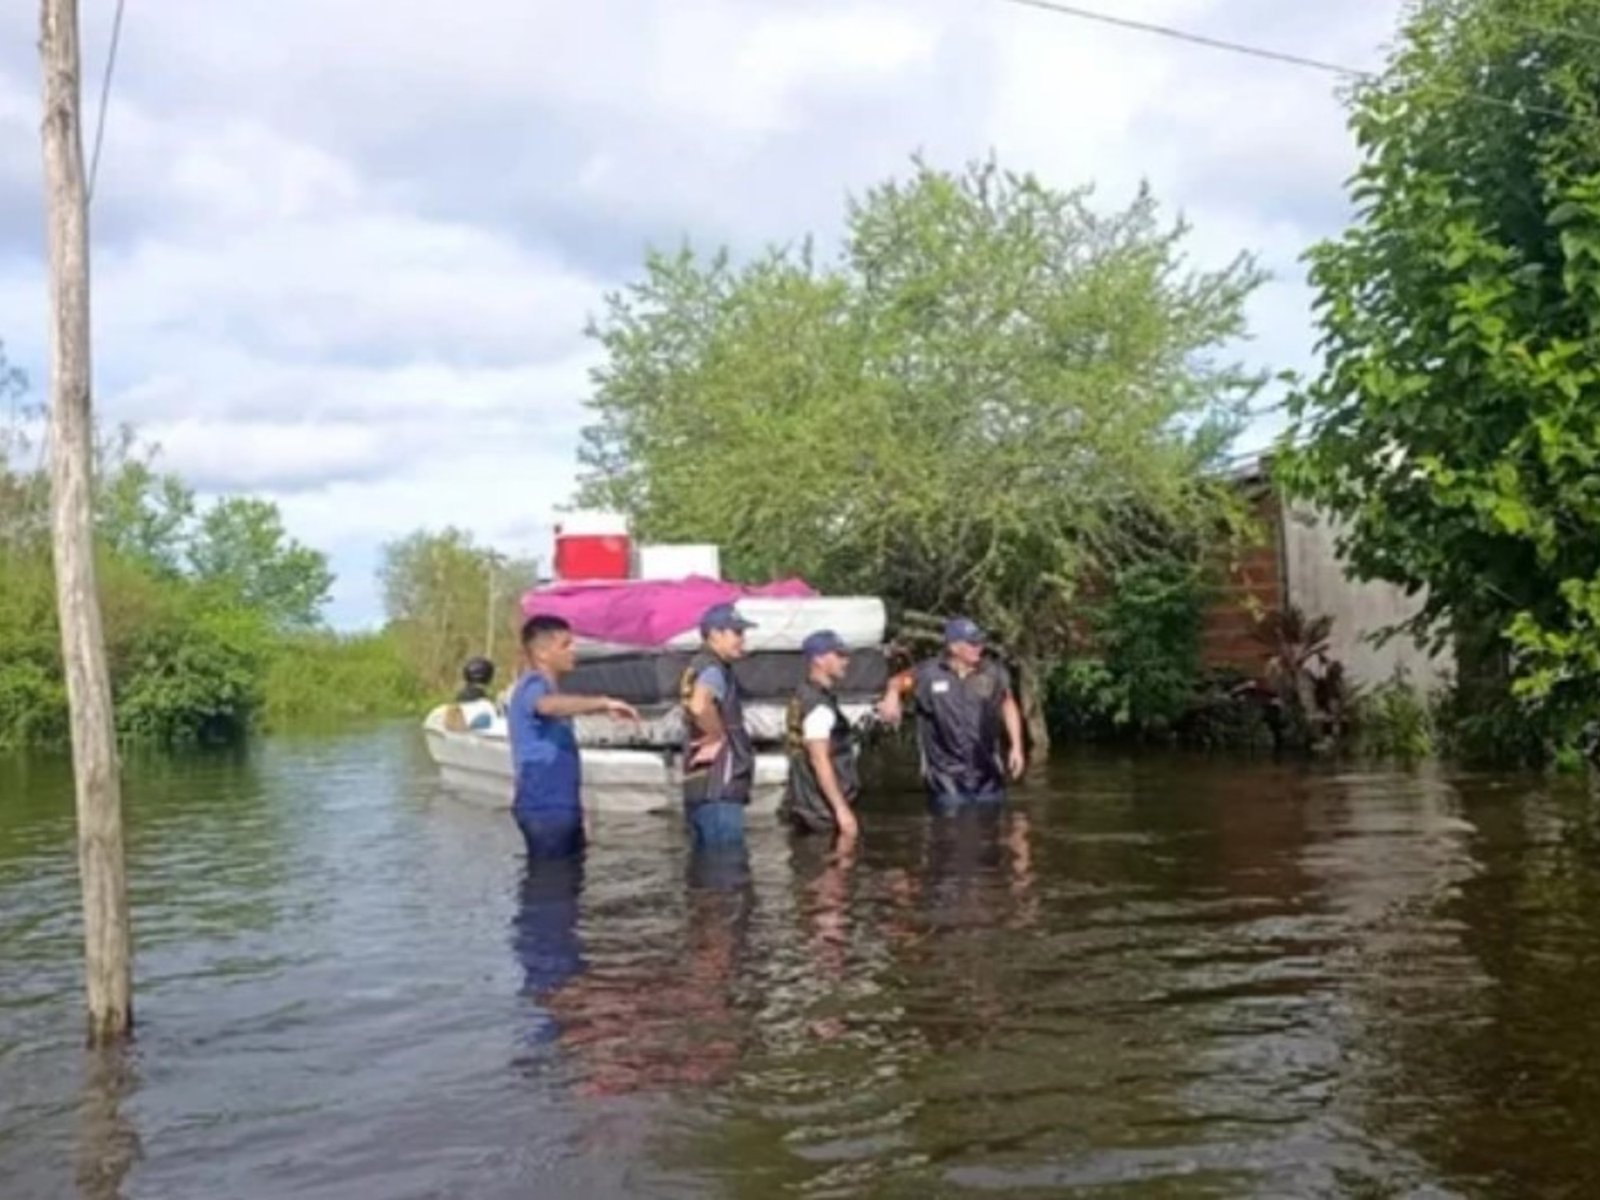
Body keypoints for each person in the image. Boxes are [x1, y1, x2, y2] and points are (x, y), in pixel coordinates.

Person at [507, 615, 640, 859]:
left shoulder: (552, 689)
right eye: (566, 645)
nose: (574, 650)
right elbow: (545, 706)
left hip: (561, 806)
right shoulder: (533, 684)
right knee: (551, 888)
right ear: (542, 653)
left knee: (569, 884)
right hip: (545, 808)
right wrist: (603, 703)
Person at [877, 616, 1026, 813]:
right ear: (954, 647)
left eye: (980, 642)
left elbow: (1007, 703)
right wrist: (892, 695)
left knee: (991, 836)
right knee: (948, 836)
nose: (979, 647)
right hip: (946, 782)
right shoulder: (928, 674)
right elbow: (897, 682)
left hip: (987, 779)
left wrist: (1016, 747)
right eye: (972, 643)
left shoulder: (993, 673)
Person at [679, 602, 757, 849]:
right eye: (737, 633)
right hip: (720, 788)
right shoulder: (713, 669)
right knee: (727, 869)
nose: (742, 640)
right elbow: (699, 706)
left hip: (699, 783)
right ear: (715, 634)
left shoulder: (696, 665)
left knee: (705, 872)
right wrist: (716, 734)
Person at [779, 630, 862, 841]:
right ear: (818, 659)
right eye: (839, 655)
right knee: (830, 868)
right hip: (821, 810)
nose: (846, 661)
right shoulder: (818, 706)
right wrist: (841, 810)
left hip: (804, 802)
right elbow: (819, 759)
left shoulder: (802, 694)